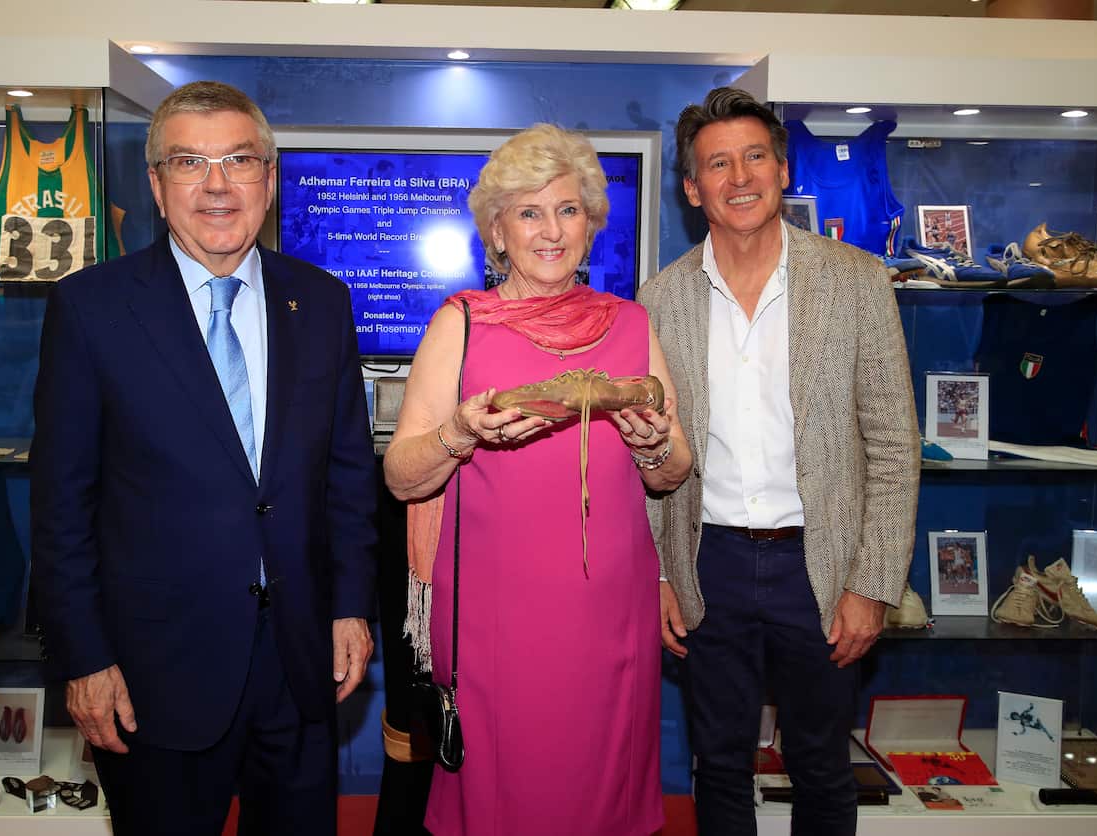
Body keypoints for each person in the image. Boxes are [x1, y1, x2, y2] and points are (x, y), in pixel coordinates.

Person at [30, 80, 377, 836]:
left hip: (298, 661)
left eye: (240, 161)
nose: (217, 186)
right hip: (154, 670)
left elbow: (348, 474)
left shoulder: (321, 300)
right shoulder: (91, 309)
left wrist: (350, 604)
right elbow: (61, 504)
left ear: (270, 179)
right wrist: (84, 657)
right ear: (156, 186)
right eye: (189, 162)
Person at [383, 123, 691, 836]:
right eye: (528, 212)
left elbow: (673, 469)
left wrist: (652, 447)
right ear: (497, 231)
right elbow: (402, 476)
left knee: (602, 799)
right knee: (505, 802)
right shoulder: (459, 325)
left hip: (610, 617)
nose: (550, 231)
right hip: (495, 622)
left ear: (591, 225)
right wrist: (458, 434)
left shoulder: (632, 324)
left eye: (568, 210)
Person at [639, 88, 919, 836]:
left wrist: (872, 583)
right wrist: (662, 573)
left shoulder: (858, 282)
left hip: (819, 569)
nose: (740, 177)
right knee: (719, 764)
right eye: (718, 164)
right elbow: (648, 455)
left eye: (755, 156)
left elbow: (894, 447)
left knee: (824, 767)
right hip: (711, 564)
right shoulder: (659, 300)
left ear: (782, 167)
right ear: (693, 188)